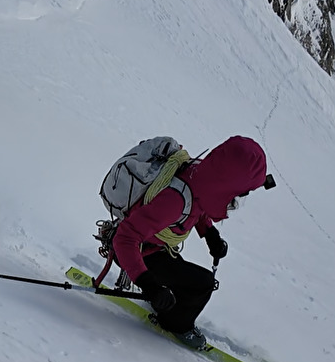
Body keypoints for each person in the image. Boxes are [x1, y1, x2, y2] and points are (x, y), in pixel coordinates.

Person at [111, 136, 271, 349]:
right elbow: (125, 238)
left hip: (155, 246)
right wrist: (148, 284)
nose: (234, 203)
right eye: (236, 197)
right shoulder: (173, 202)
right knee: (200, 285)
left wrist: (210, 234)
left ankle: (166, 304)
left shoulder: (198, 175)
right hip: (138, 252)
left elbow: (197, 205)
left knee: (186, 278)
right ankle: (175, 325)